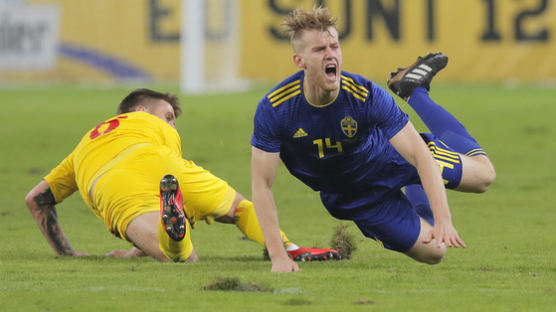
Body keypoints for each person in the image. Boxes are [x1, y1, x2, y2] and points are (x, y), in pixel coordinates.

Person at [250, 6, 496, 272]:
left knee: (484, 178)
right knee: (435, 252)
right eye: (320, 50)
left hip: (394, 159)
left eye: (334, 46)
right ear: (300, 61)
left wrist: (444, 218)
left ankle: (414, 92)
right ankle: (419, 211)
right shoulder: (275, 109)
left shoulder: (364, 95)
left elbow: (418, 155)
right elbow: (262, 185)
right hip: (355, 197)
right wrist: (279, 257)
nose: (330, 54)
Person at [25, 88, 340, 262]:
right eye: (168, 116)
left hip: (108, 185)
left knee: (177, 257)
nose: (172, 126)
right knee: (240, 208)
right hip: (163, 164)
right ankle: (288, 248)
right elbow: (152, 172)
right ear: (140, 112)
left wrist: (68, 253)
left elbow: (36, 200)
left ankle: (173, 232)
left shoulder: (86, 143)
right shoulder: (152, 126)